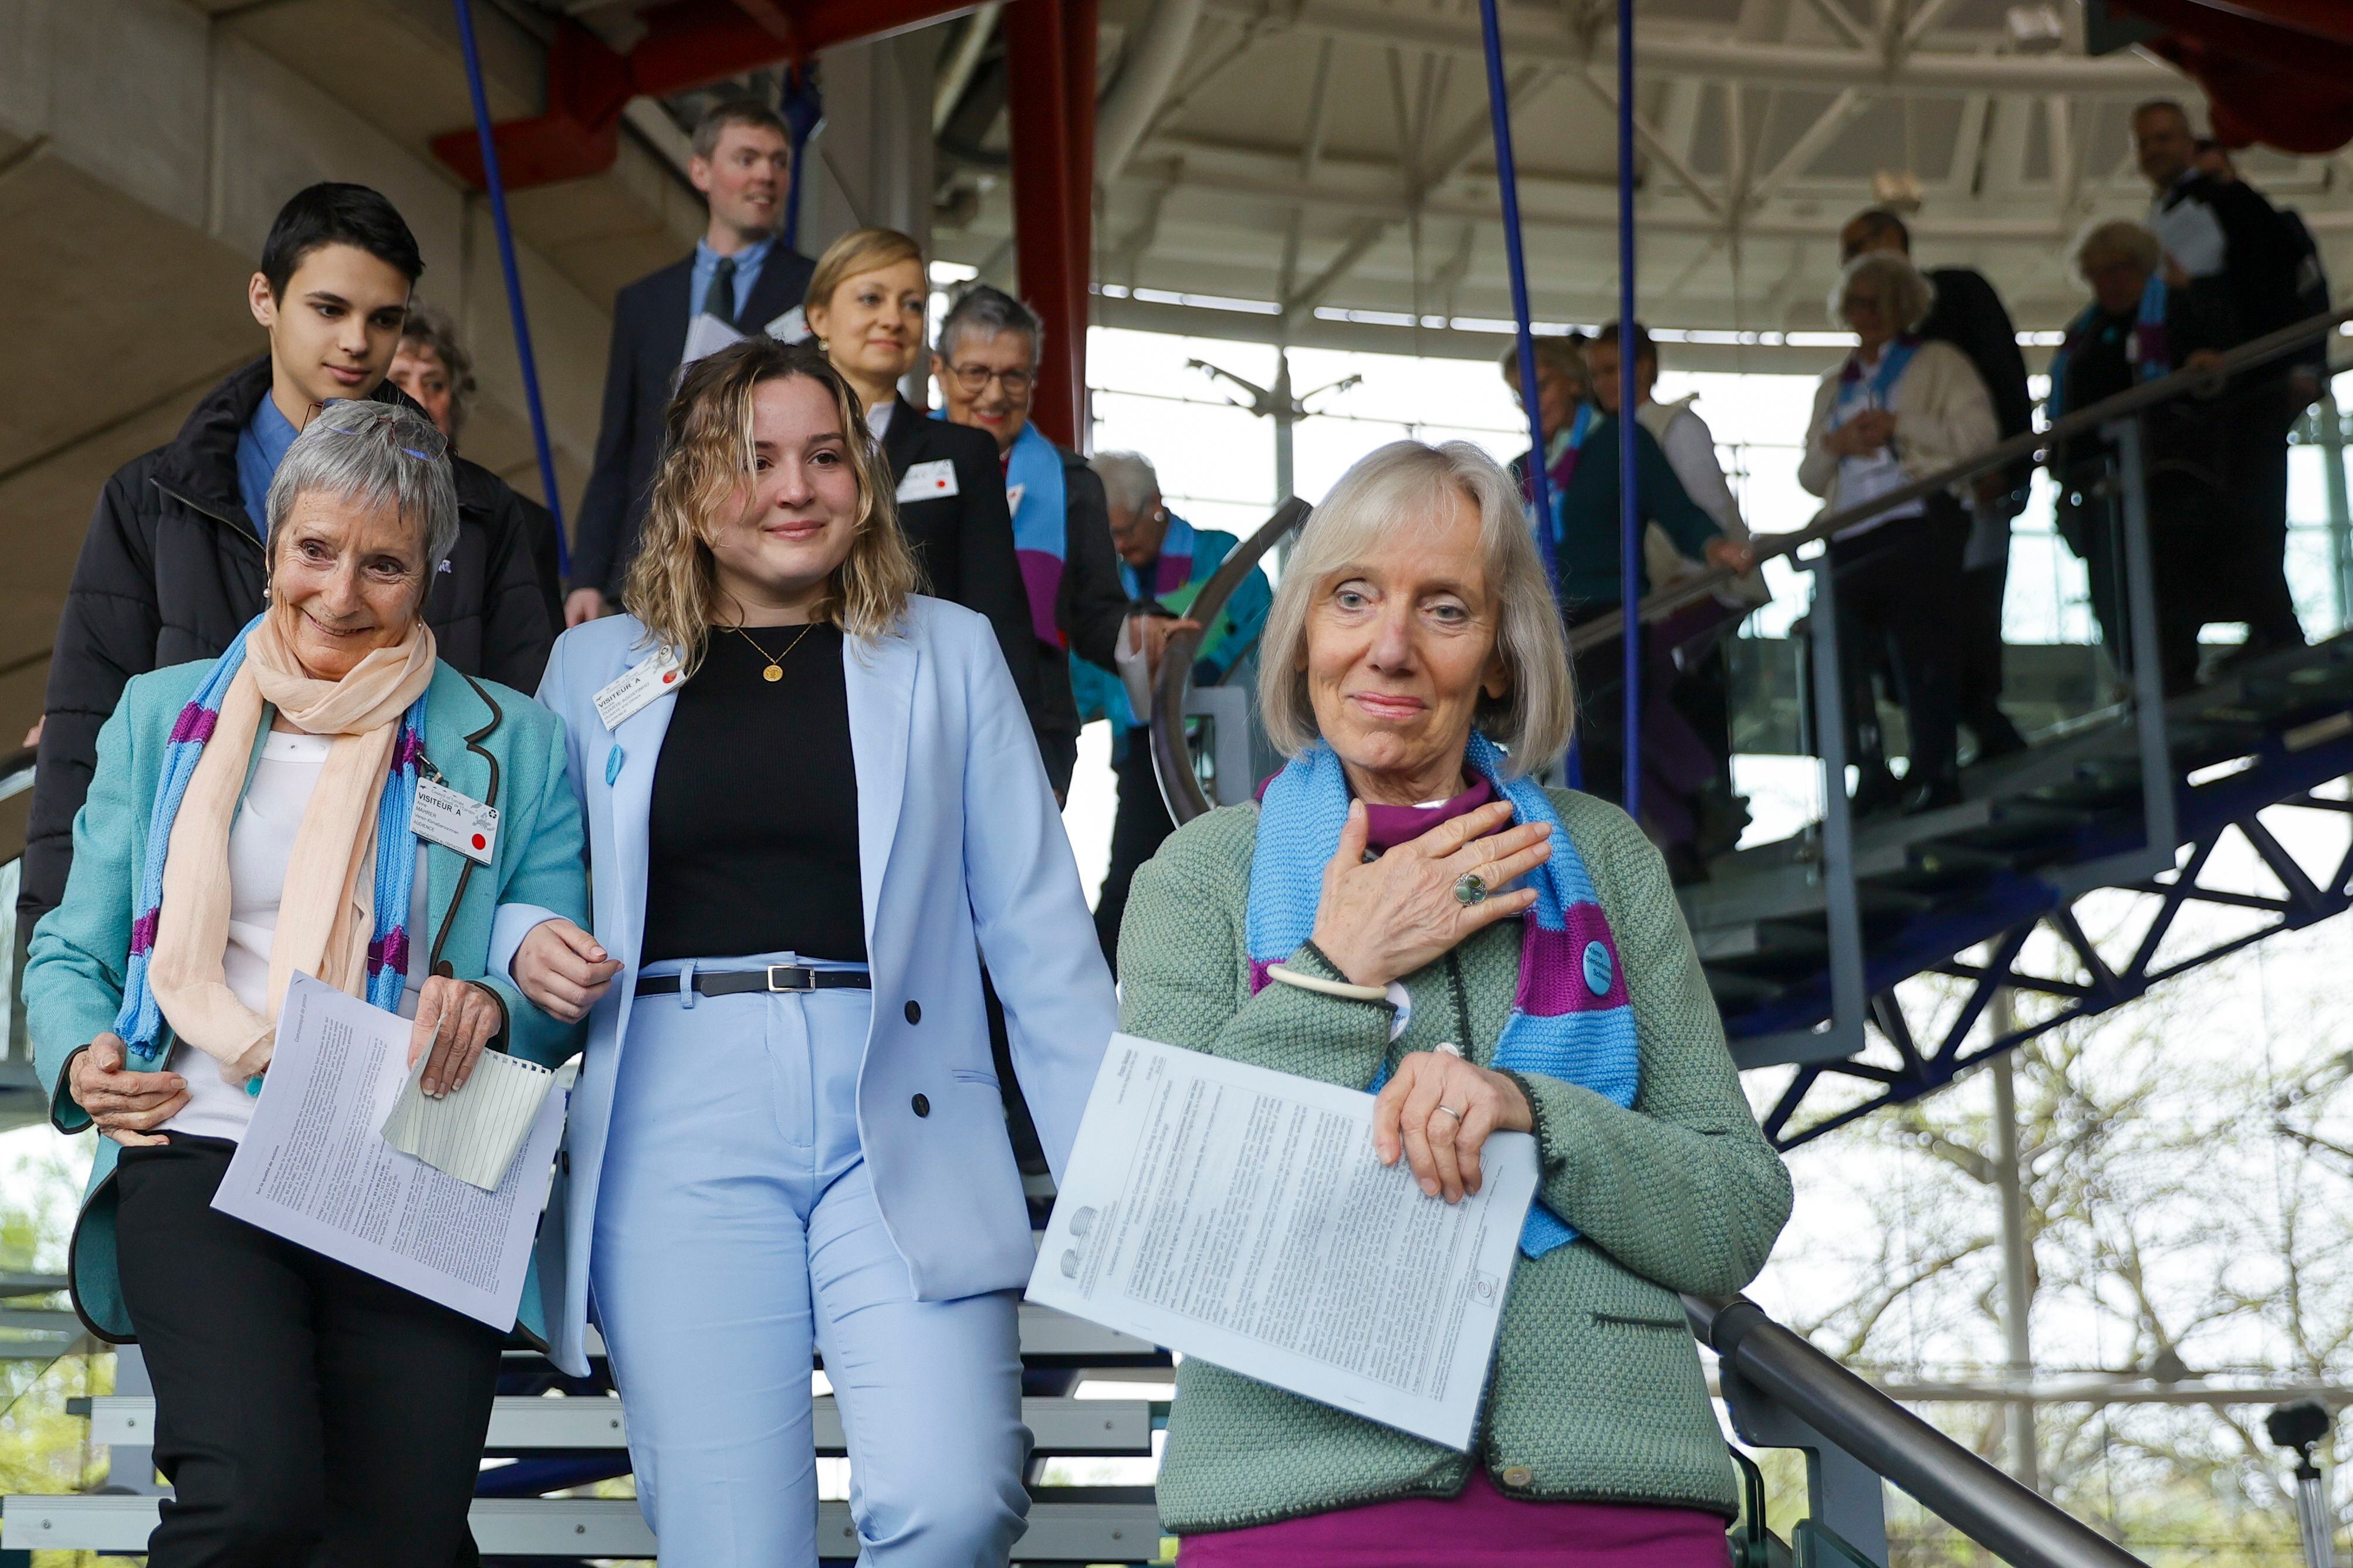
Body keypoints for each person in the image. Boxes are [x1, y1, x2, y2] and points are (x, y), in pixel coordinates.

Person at [1115, 438, 1791, 1560]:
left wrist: (1532, 1108)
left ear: (1501, 657)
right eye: (1352, 597)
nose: (1389, 646)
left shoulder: (1605, 859)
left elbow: (1733, 1209)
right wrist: (1339, 968)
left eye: (1443, 608)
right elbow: (1160, 1217)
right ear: (1305, 634)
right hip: (1300, 1498)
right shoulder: (1202, 877)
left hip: (1618, 1495)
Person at [499, 337, 1116, 1565]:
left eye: (826, 457)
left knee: (956, 1498)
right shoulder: (593, 664)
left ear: (864, 479)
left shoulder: (949, 650)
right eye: (755, 458)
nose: (795, 488)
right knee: (732, 1543)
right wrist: (524, 945)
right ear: (689, 485)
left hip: (905, 1097)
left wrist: (1121, 1179)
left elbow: (1041, 934)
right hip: (672, 1106)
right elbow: (523, 882)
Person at [24, 401, 589, 1566]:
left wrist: (496, 1001)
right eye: (315, 550)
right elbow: (72, 951)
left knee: (403, 1540)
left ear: (431, 571)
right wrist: (83, 1054)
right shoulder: (158, 716)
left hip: (419, 1151)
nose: (340, 593)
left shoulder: (513, 742)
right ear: (274, 542)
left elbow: (550, 962)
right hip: (200, 1142)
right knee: (251, 1500)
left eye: (384, 563)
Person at [21, 182, 554, 935]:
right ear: (264, 299)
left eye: (385, 319)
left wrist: (497, 967)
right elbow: (84, 733)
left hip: (398, 925)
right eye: (329, 309)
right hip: (179, 919)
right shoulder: (150, 502)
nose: (357, 342)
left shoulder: (480, 514)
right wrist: (51, 950)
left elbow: (516, 754)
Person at [569, 99, 816, 628]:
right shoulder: (643, 301)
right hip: (650, 556)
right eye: (747, 159)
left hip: (761, 554)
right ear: (700, 171)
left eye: (779, 162)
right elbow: (618, 446)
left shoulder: (818, 291)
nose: (767, 175)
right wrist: (587, 574)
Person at [806, 227, 1046, 749]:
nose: (894, 318)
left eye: (912, 304)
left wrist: (1029, 751)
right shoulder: (761, 440)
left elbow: (998, 611)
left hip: (923, 717)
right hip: (792, 697)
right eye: (872, 298)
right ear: (819, 317)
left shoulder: (966, 453)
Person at [1502, 340, 1749, 812]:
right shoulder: (1522, 469)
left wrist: (1714, 545)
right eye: (1520, 393)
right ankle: (1687, 824)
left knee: (1606, 731)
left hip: (1610, 614)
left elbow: (1676, 508)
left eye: (1541, 385)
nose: (1530, 402)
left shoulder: (1619, 442)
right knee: (1586, 741)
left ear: (1572, 382)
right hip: (1549, 628)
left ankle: (1698, 807)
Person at [1799, 252, 2000, 815]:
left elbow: (1979, 439)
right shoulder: (1834, 385)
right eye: (1858, 304)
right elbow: (1809, 477)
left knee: (1925, 653)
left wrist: (1899, 426)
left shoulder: (1940, 363)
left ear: (1904, 308)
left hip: (1918, 524)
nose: (1868, 315)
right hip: (1849, 534)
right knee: (1841, 655)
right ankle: (1868, 768)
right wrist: (1835, 445)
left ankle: (1935, 769)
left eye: (1880, 304)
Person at [1840, 207, 2033, 761]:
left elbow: (2002, 374)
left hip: (1968, 490)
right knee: (1913, 633)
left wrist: (2008, 465)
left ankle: (1984, 725)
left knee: (1970, 610)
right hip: (1900, 512)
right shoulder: (1864, 357)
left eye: (1857, 246)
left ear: (1893, 239)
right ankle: (1954, 738)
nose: (1849, 261)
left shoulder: (1958, 294)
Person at [929, 283, 1134, 797]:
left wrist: (1144, 631)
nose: (995, 394)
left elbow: (1095, 613)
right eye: (976, 372)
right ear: (939, 371)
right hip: (919, 712)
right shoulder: (895, 466)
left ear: (1033, 380)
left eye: (1013, 375)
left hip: (1034, 720)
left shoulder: (1074, 485)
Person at [1073, 451, 1273, 960]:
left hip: (1228, 741)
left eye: (1124, 530)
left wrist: (1194, 669)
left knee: (1232, 876)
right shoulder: (1106, 580)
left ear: (1156, 505)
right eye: (1109, 536)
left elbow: (1264, 630)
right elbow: (1087, 671)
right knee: (1129, 882)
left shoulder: (1222, 557)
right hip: (1144, 748)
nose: (1120, 545)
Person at [2135, 99, 2308, 656]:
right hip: (2201, 395)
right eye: (2145, 141)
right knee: (2221, 511)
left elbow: (2272, 282)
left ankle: (2276, 631)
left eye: (2164, 138)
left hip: (2241, 387)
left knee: (2249, 507)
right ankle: (2266, 630)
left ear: (2190, 144)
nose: (2154, 150)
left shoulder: (2228, 203)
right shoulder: (2165, 214)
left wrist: (2260, 355)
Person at [1586, 323, 1762, 868]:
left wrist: (1690, 572)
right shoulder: (1609, 437)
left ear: (1645, 367)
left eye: (1612, 370)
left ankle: (1703, 795)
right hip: (1656, 598)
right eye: (1596, 374)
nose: (1603, 383)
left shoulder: (1675, 426)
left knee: (1627, 687)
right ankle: (1687, 818)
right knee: (1616, 702)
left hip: (1698, 588)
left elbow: (1702, 507)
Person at [2047, 220, 2236, 695]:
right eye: (2097, 273)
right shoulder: (2083, 334)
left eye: (2119, 269)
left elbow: (2214, 371)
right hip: (2100, 486)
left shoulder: (2180, 311)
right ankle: (2136, 682)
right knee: (2112, 592)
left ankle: (2173, 680)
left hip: (2166, 479)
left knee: (2166, 587)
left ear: (2144, 266)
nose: (2109, 282)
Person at [391, 302, 566, 632]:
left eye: (435, 384)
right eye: (399, 382)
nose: (420, 400)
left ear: (455, 401)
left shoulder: (524, 523)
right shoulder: (323, 497)